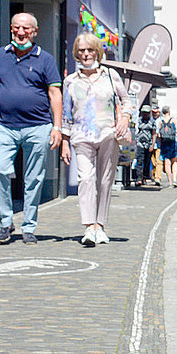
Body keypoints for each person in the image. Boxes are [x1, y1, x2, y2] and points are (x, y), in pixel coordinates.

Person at [0, 12, 63, 245]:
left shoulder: (45, 59)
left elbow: (54, 93)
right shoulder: (0, 55)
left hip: (38, 127)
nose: (21, 32)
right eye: (17, 28)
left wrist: (57, 126)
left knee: (34, 178)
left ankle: (29, 226)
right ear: (11, 28)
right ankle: (6, 222)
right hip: (4, 126)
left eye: (26, 29)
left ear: (34, 32)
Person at [60, 32, 132, 245]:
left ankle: (101, 225)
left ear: (97, 51)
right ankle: (89, 226)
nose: (86, 54)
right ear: (76, 53)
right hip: (81, 136)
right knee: (86, 178)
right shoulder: (70, 81)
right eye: (81, 50)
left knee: (105, 180)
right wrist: (64, 140)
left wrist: (125, 119)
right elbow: (65, 113)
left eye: (90, 50)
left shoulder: (111, 75)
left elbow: (126, 101)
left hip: (108, 134)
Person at [157, 106, 177, 187]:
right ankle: (175, 180)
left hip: (164, 143)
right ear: (169, 112)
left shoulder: (160, 121)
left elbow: (159, 134)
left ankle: (170, 181)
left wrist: (160, 144)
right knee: (174, 161)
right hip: (173, 142)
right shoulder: (174, 120)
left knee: (167, 163)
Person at [133, 105, 157, 185]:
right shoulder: (138, 121)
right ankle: (139, 178)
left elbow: (154, 133)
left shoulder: (152, 122)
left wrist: (153, 144)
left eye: (146, 113)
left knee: (147, 161)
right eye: (143, 113)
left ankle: (145, 176)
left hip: (148, 143)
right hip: (140, 144)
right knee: (140, 160)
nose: (145, 114)